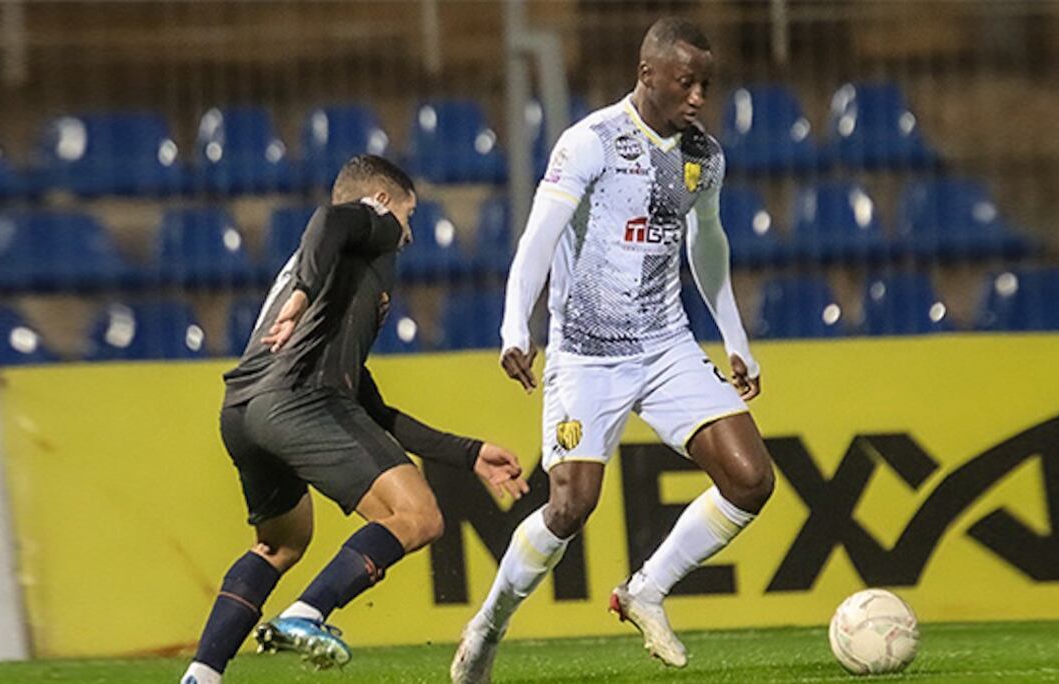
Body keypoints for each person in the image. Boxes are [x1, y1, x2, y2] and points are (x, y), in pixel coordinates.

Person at [450, 16, 775, 683]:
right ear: (648, 72)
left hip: (666, 346)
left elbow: (706, 244)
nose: (697, 97)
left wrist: (735, 338)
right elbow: (537, 239)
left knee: (750, 480)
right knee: (570, 507)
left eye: (706, 85)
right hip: (586, 353)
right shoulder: (591, 142)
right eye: (686, 82)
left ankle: (646, 590)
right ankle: (489, 625)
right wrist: (517, 326)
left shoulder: (703, 156)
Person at [180, 155, 529, 684]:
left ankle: (202, 675)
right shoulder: (369, 226)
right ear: (382, 202)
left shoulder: (337, 291)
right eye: (409, 216)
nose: (408, 236)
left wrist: (468, 453)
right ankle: (308, 612)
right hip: (299, 401)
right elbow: (331, 218)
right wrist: (301, 294)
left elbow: (371, 410)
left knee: (281, 543)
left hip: (244, 409)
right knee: (419, 516)